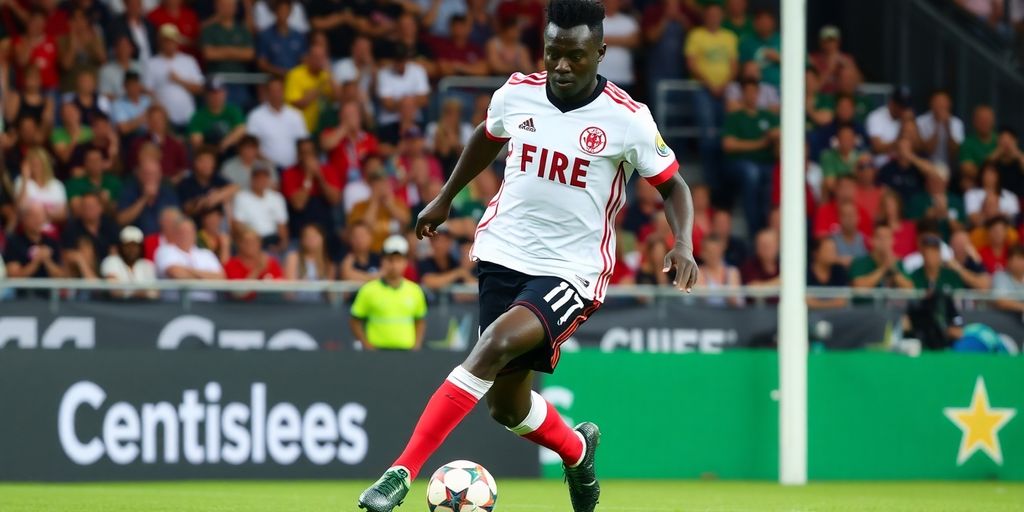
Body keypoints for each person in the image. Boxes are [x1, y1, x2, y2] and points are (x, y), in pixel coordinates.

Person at [357, 1, 698, 510]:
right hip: (502, 252)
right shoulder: (517, 93)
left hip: (572, 271)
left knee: (492, 345)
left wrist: (683, 243)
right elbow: (486, 138)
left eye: (575, 56)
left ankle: (400, 473)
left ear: (600, 53)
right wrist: (446, 196)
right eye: (553, 52)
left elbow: (674, 188)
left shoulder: (628, 120)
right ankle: (578, 451)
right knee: (505, 405)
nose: (561, 65)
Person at [685, 2, 738, 186]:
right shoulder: (696, 35)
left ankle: (725, 182)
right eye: (710, 14)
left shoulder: (729, 37)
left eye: (717, 14)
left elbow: (734, 65)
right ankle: (711, 182)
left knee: (728, 135)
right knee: (708, 137)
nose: (714, 18)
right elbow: (691, 64)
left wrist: (723, 85)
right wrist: (711, 84)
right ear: (705, 16)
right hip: (702, 89)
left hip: (726, 90)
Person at [349, 234, 428, 350]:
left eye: (398, 260)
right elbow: (355, 321)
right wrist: (366, 345)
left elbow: (420, 320)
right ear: (383, 261)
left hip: (406, 353)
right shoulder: (368, 290)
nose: (394, 265)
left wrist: (416, 345)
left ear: (405, 262)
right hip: (377, 354)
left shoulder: (415, 291)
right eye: (390, 260)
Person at [721, 79, 779, 234]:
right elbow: (728, 144)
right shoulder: (735, 117)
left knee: (773, 175)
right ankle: (754, 228)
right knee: (751, 173)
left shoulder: (768, 116)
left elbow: (779, 133)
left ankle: (768, 225)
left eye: (754, 92)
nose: (751, 95)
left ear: (759, 94)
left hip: (767, 164)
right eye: (747, 92)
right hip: (741, 164)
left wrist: (775, 136)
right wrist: (761, 143)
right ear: (742, 94)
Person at [143, 24, 203, 128]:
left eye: (172, 40)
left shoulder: (189, 61)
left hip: (188, 116)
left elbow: (200, 88)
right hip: (164, 121)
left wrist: (179, 80)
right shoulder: (151, 63)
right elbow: (147, 91)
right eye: (166, 40)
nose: (169, 44)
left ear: (177, 42)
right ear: (160, 42)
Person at [154, 216, 225, 301]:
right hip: (174, 305)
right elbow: (176, 274)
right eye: (182, 232)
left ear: (195, 234)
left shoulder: (206, 254)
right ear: (175, 233)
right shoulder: (165, 250)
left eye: (189, 232)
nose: (186, 235)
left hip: (207, 306)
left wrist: (187, 271)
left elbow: (220, 277)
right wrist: (206, 277)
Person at [199, 0, 254, 107]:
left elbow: (249, 54)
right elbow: (209, 54)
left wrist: (222, 50)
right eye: (223, 5)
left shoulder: (241, 29)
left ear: (236, 8)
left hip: (239, 82)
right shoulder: (210, 30)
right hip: (216, 83)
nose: (227, 8)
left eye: (230, 5)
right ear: (217, 7)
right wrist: (236, 51)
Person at [245, 76, 309, 169]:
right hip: (267, 169)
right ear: (267, 93)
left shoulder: (296, 115)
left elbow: (304, 144)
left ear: (284, 91)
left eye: (279, 90)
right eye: (273, 91)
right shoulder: (255, 116)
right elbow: (253, 147)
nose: (276, 94)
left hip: (294, 168)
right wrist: (271, 165)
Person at [233, 158, 288, 253]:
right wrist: (249, 244)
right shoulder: (241, 197)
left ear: (268, 179)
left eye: (264, 177)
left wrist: (281, 246)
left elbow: (282, 226)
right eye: (257, 177)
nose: (261, 180)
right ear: (252, 179)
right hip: (251, 240)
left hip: (272, 240)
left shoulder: (277, 198)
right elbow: (238, 225)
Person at [3, 203, 65, 284]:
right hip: (22, 294)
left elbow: (62, 278)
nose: (38, 220)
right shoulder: (14, 242)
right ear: (24, 219)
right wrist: (36, 261)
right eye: (33, 216)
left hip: (49, 293)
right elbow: (14, 277)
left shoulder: (51, 242)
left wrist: (47, 261)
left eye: (41, 216)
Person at [117, 156, 180, 235]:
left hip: (162, 239)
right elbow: (121, 220)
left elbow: (178, 220)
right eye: (147, 174)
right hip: (137, 241)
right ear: (139, 175)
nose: (150, 178)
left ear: (160, 175)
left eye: (154, 174)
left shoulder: (167, 192)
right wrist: (144, 198)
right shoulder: (129, 191)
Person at [176, 146, 238, 218]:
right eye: (203, 161)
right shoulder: (186, 183)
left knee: (229, 199)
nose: (207, 165)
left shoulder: (216, 178)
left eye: (210, 161)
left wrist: (216, 197)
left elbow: (235, 187)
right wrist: (205, 202)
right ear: (195, 163)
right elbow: (186, 208)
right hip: (196, 224)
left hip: (218, 222)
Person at [187, 80, 246, 154]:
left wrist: (225, 142)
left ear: (225, 93)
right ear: (206, 95)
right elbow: (196, 142)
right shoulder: (198, 116)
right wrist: (215, 148)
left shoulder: (233, 111)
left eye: (219, 92)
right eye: (212, 93)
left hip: (230, 152)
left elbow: (241, 129)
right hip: (209, 154)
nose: (216, 96)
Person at [224, 226, 283, 300]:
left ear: (260, 243)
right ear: (239, 244)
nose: (251, 245)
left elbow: (281, 289)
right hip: (240, 308)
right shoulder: (232, 264)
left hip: (269, 307)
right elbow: (238, 293)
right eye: (247, 242)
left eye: (254, 241)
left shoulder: (271, 262)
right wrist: (257, 270)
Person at [284, 42, 333, 133]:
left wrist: (330, 75)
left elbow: (338, 97)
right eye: (316, 57)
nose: (319, 61)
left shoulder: (326, 76)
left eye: (322, 57)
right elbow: (298, 103)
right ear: (308, 58)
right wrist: (319, 88)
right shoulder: (295, 74)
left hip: (320, 130)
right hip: (298, 130)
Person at [100, 225, 159, 300]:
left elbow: (156, 293)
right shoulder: (111, 261)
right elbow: (114, 291)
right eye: (128, 246)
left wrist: (129, 293)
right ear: (121, 247)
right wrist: (137, 293)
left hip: (145, 308)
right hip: (118, 308)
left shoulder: (147, 265)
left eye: (135, 246)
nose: (132, 250)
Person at [849, 223, 914, 291]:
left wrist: (894, 270)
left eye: (887, 237)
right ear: (871, 241)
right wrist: (884, 268)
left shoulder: (899, 263)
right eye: (879, 238)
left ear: (893, 241)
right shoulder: (859, 262)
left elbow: (910, 289)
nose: (884, 241)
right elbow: (858, 288)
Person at [283, 223, 335, 302]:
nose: (311, 239)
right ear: (302, 240)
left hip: (320, 307)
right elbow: (289, 291)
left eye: (314, 236)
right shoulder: (293, 257)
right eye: (307, 236)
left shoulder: (328, 264)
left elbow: (331, 295)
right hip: (296, 306)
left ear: (322, 239)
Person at [257, 0, 308, 78]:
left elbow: (304, 60)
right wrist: (279, 72)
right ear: (275, 11)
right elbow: (262, 63)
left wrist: (293, 74)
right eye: (280, 10)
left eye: (285, 10)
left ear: (290, 12)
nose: (283, 13)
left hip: (294, 79)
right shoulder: (265, 35)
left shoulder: (298, 36)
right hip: (273, 80)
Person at [916, 90, 964, 170]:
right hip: (926, 167)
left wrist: (948, 127)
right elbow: (926, 151)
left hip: (949, 168)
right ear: (931, 104)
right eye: (937, 102)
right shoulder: (920, 122)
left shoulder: (957, 123)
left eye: (943, 102)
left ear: (949, 104)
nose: (940, 105)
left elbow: (954, 152)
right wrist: (937, 126)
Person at [695, 234, 742, 307]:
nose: (712, 255)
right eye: (709, 251)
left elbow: (734, 300)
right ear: (702, 253)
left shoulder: (732, 272)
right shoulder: (698, 272)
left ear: (721, 250)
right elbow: (701, 298)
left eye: (715, 251)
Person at [809, 25, 858, 94]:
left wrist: (850, 67)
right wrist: (830, 68)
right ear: (820, 42)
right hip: (820, 97)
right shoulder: (813, 59)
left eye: (832, 40)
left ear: (838, 42)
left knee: (846, 72)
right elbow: (814, 88)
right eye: (826, 41)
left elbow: (858, 84)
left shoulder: (846, 58)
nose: (829, 44)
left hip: (841, 100)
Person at [959, 105, 997, 189]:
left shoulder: (1001, 140)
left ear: (993, 121)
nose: (984, 122)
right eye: (981, 119)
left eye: (987, 119)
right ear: (974, 122)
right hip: (978, 186)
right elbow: (968, 170)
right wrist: (994, 155)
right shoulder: (968, 143)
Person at [807, 237, 848, 309]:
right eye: (828, 250)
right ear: (816, 253)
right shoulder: (805, 273)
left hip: (835, 316)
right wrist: (833, 304)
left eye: (834, 250)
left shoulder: (839, 270)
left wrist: (817, 304)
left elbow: (842, 301)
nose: (832, 254)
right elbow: (806, 301)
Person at [829, 200, 869, 267]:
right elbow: (827, 261)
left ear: (858, 217)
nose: (849, 219)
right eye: (845, 215)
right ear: (839, 218)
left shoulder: (866, 240)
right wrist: (838, 260)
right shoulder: (832, 241)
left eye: (851, 215)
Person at [992, 245, 1024, 314]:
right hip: (1005, 319)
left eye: (1021, 258)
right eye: (1017, 258)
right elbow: (1001, 301)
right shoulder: (1000, 277)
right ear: (1008, 261)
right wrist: (1022, 307)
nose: (1019, 262)